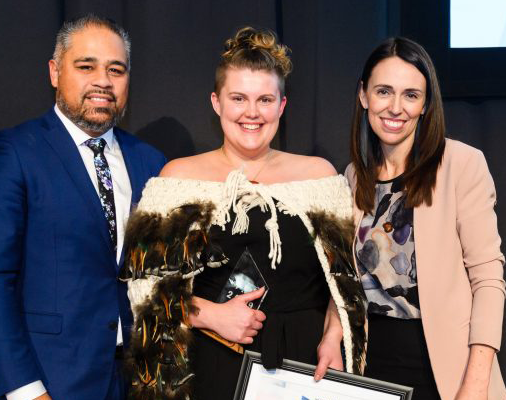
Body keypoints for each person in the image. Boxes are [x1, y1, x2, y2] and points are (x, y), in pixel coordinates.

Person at [121, 27, 366, 400]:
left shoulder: (320, 176)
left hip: (305, 363)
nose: (252, 113)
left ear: (282, 106)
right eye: (238, 98)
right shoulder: (177, 177)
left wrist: (333, 339)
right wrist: (210, 315)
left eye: (265, 99)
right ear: (216, 102)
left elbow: (344, 283)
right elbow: (145, 287)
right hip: (210, 358)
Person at [0, 15, 166, 400]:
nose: (102, 81)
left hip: (138, 382)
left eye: (115, 69)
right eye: (86, 66)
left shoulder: (151, 162)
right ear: (55, 72)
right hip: (51, 382)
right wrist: (25, 390)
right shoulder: (12, 153)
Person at [345, 37, 506, 399]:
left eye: (411, 95)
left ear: (426, 104)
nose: (395, 107)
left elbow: (488, 278)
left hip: (446, 369)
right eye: (384, 91)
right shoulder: (355, 176)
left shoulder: (461, 164)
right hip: (371, 369)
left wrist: (477, 380)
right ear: (363, 96)